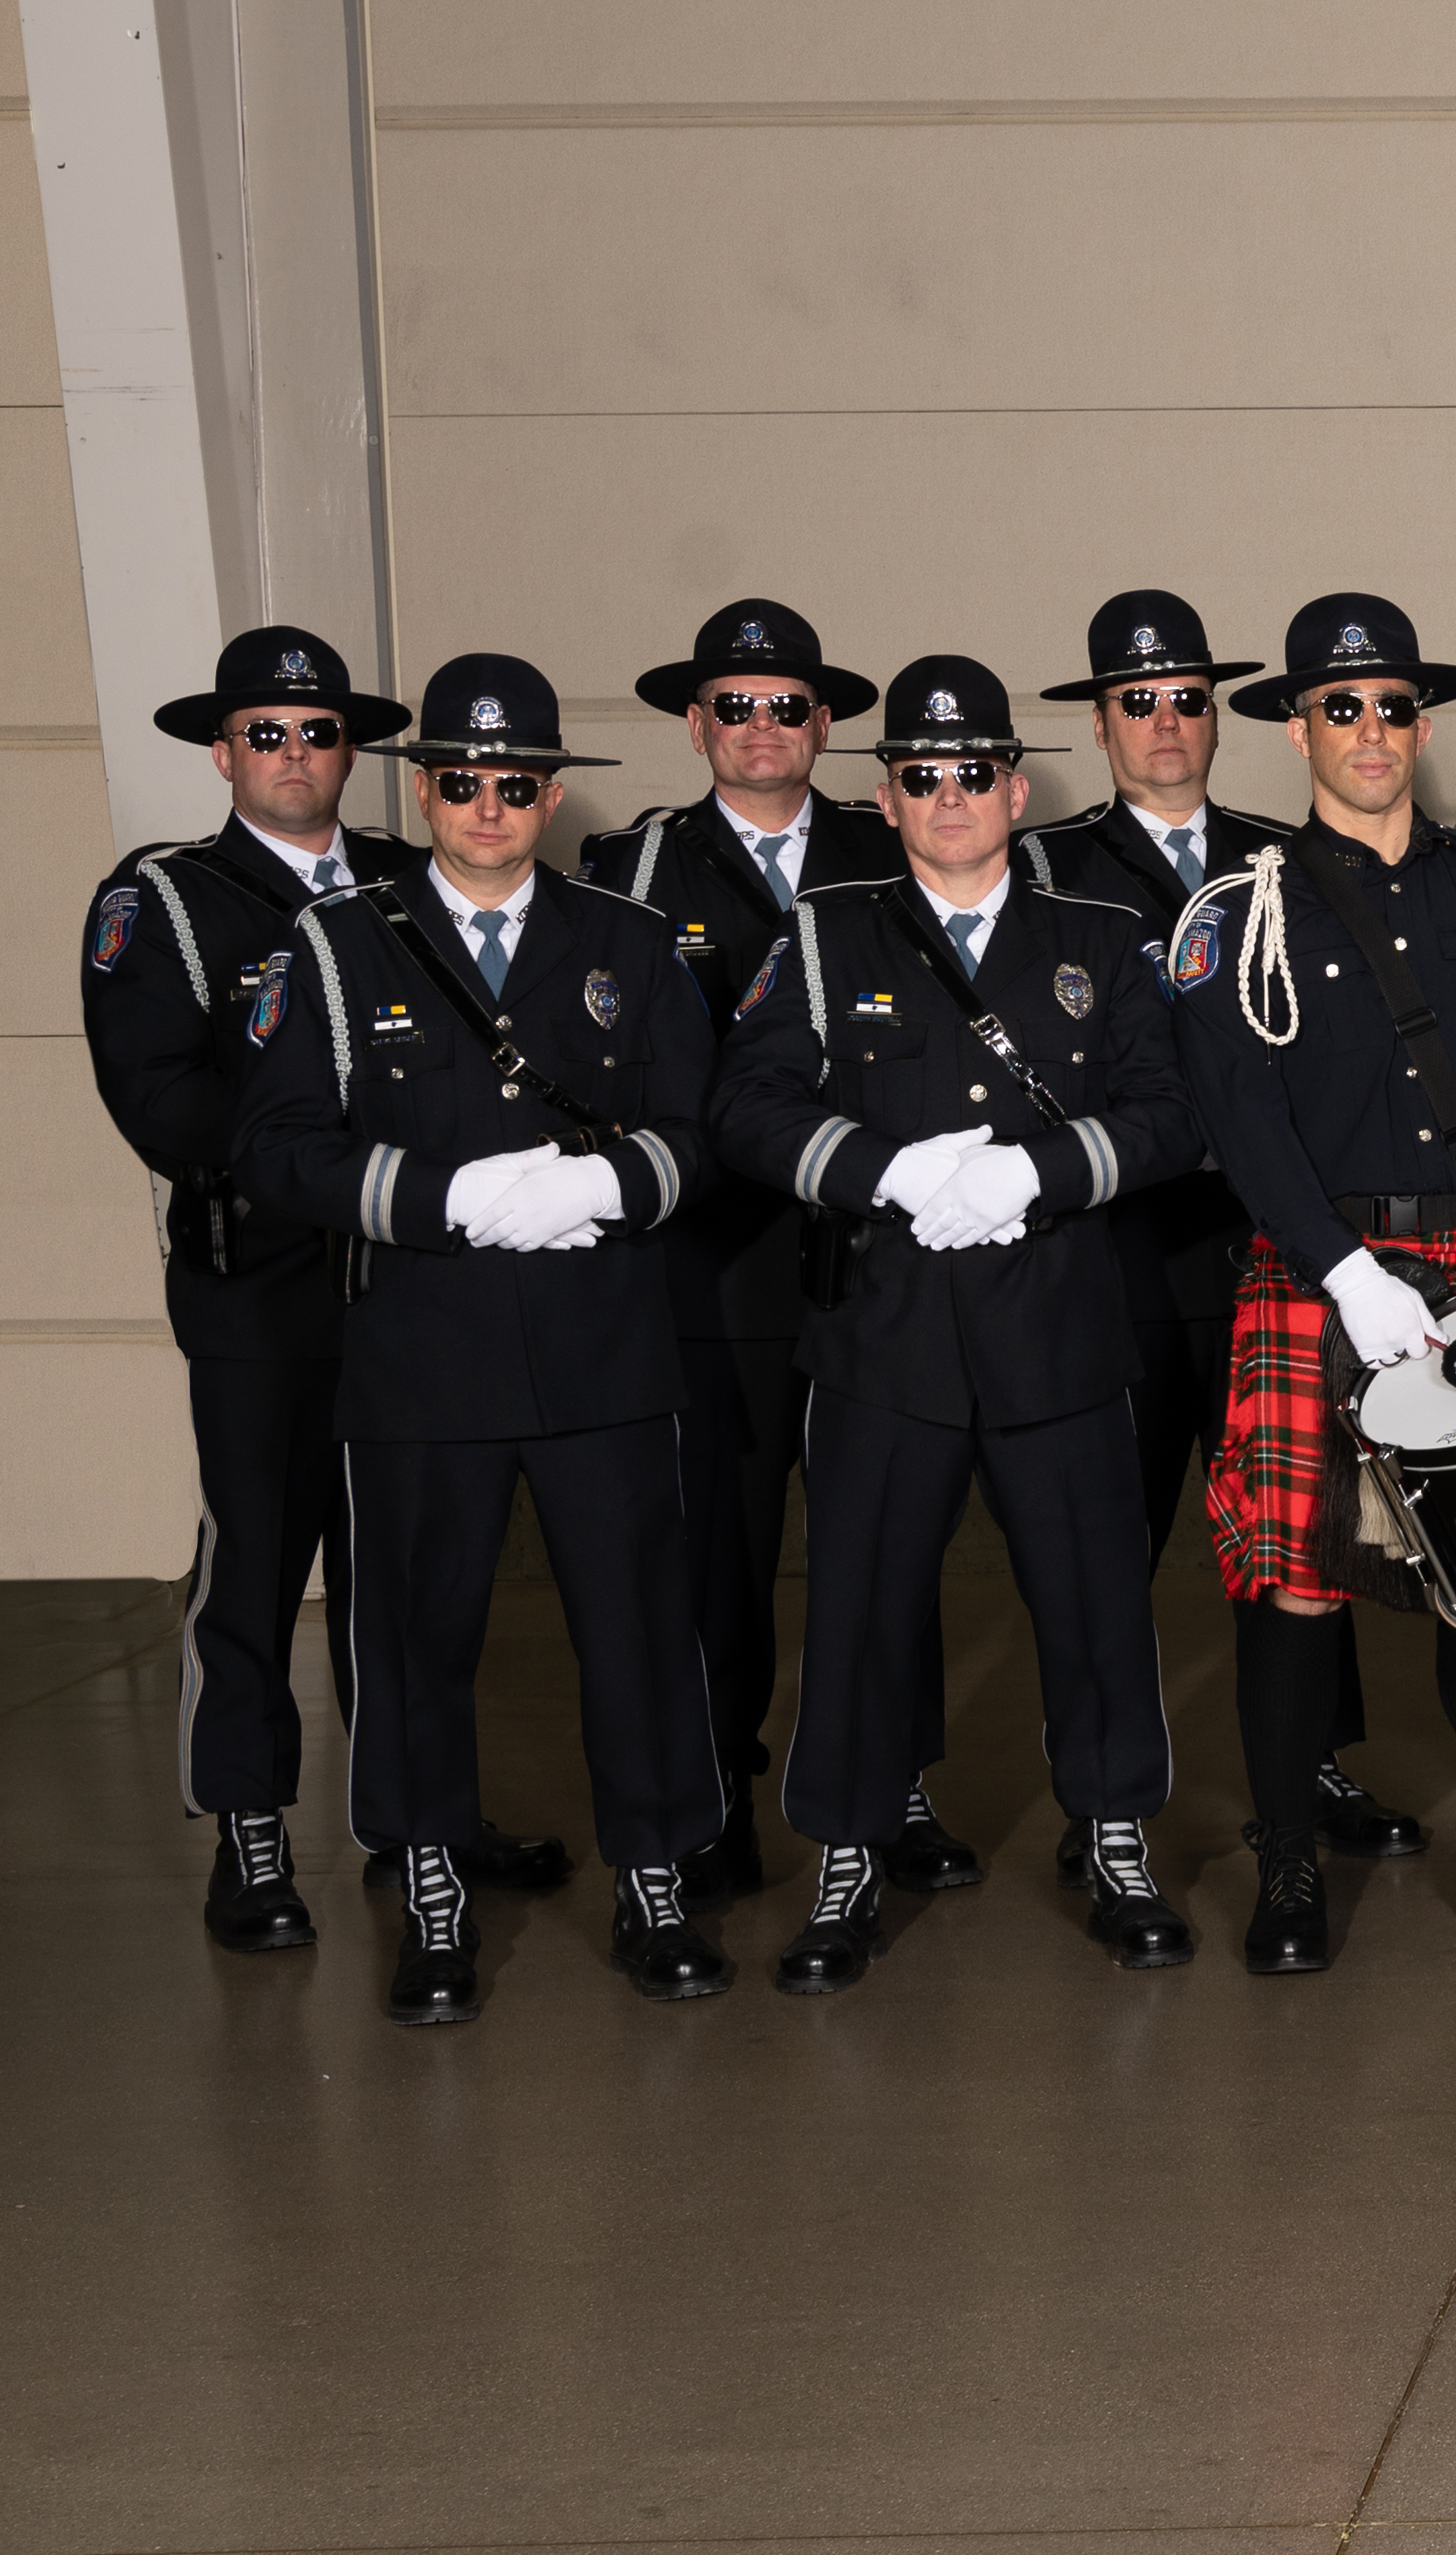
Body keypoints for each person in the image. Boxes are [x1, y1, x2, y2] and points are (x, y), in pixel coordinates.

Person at [228, 657, 727, 2021]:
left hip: (602, 1347)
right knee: (414, 1633)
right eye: (462, 780)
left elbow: (701, 1136)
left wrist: (601, 1186)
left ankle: (656, 1879)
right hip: (422, 1354)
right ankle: (432, 1885)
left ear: (553, 791)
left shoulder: (630, 942)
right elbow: (273, 1145)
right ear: (424, 786)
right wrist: (439, 1196)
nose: (489, 805)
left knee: (636, 1626)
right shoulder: (337, 949)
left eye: (517, 784)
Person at [710, 656, 1210, 1989]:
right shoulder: (825, 936)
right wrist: (885, 1172)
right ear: (884, 795)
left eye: (974, 772)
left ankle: (1116, 1841)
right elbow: (747, 1104)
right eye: (921, 776)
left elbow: (1173, 1113)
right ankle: (845, 1855)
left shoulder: (1103, 938)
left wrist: (1036, 1173)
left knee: (1098, 1600)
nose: (950, 797)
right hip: (885, 1335)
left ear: (1017, 785)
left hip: (1057, 1327)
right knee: (863, 1608)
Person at [1163, 596, 1456, 1974]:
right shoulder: (1234, 914)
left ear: (1421, 724)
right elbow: (1236, 1115)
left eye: (1393, 706)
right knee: (1294, 1582)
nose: (1372, 731)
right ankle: (1292, 1874)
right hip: (1326, 1279)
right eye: (1343, 706)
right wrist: (1339, 1266)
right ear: (1299, 725)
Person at [85, 628, 569, 1950]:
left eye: (316, 731)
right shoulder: (170, 901)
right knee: (260, 1556)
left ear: (351, 748)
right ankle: (248, 1834)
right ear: (222, 748)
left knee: (411, 1568)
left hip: (414, 1287)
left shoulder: (425, 882)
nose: (295, 754)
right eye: (266, 732)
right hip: (269, 1290)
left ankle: (421, 1819)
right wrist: (347, 1155)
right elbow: (168, 1105)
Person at [1017, 591, 1414, 1869]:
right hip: (1120, 1257)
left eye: (1190, 697)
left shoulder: (1285, 857)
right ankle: (1108, 1801)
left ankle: (1314, 1772)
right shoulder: (1050, 871)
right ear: (1099, 721)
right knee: (1109, 1544)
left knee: (1308, 1526)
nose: (1169, 722)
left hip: (1279, 1251)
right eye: (1141, 701)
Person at [578, 602, 919, 1904]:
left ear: (826, 724)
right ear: (695, 722)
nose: (763, 726)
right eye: (737, 704)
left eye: (788, 705)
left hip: (874, 1241)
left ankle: (896, 1793)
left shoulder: (889, 842)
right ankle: (715, 1792)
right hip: (716, 1259)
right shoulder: (637, 865)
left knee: (884, 1536)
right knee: (717, 1549)